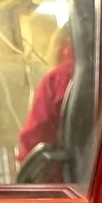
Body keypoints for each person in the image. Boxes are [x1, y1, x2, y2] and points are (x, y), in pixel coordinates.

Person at [15, 30, 74, 165]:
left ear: (62, 47)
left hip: (65, 173)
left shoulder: (56, 79)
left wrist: (23, 164)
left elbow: (35, 136)